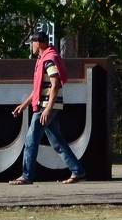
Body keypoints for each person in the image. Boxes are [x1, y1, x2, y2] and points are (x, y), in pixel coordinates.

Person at [11, 28, 84, 185]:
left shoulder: (49, 59)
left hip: (46, 108)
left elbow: (55, 83)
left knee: (31, 141)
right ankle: (78, 171)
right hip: (45, 106)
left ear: (40, 43)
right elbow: (39, 88)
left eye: (33, 43)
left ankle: (27, 175)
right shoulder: (43, 59)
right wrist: (24, 105)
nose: (32, 46)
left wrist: (48, 109)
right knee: (57, 142)